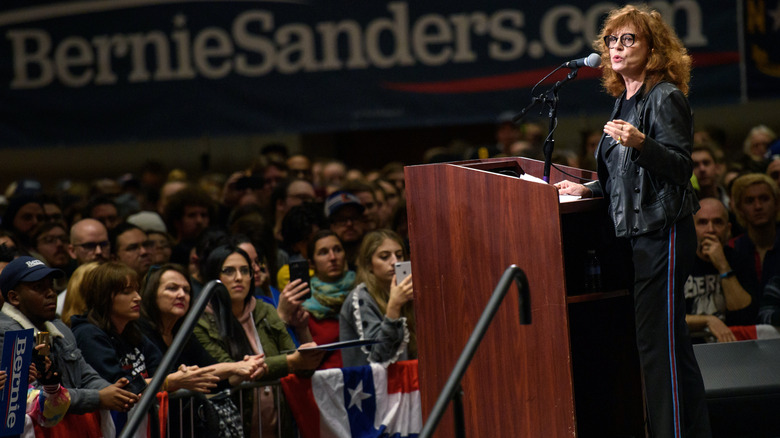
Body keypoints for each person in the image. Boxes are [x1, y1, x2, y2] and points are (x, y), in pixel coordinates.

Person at [555, 5, 710, 436]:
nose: (617, 47)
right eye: (611, 40)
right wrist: (590, 190)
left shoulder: (665, 97)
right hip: (636, 237)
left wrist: (643, 143)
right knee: (664, 350)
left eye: (629, 40)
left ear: (654, 47)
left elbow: (681, 170)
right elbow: (625, 180)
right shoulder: (624, 100)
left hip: (664, 234)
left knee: (660, 350)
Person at [71, 262, 219, 433]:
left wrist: (181, 375)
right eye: (127, 292)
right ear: (104, 297)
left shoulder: (132, 331)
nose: (138, 297)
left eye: (137, 290)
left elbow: (162, 371)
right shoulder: (88, 334)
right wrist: (173, 381)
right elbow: (118, 388)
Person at [193, 244, 324, 438]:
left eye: (244, 271)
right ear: (214, 277)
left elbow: (300, 364)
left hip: (280, 424)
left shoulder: (265, 310)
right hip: (234, 426)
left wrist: (305, 349)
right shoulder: (201, 323)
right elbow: (232, 370)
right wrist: (290, 362)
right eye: (229, 271)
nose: (239, 277)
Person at [0, 256, 140, 432]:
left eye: (51, 285)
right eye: (39, 288)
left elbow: (86, 374)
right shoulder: (7, 334)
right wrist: (99, 397)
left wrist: (114, 392)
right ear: (14, 297)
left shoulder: (58, 327)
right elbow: (33, 397)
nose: (50, 293)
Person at [339, 229, 415, 367]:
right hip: (368, 385)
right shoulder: (360, 298)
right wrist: (394, 307)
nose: (394, 262)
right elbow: (380, 357)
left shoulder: (408, 293)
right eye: (385, 257)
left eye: (399, 255)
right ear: (369, 265)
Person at [684, 199, 753, 342]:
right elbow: (665, 317)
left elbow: (746, 315)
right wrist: (708, 320)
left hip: (732, 348)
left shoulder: (739, 260)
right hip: (689, 350)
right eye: (702, 222)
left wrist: (723, 266)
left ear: (728, 230)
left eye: (718, 222)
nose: (711, 229)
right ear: (691, 228)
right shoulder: (678, 264)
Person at [728, 173, 780, 320]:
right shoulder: (731, 249)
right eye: (749, 201)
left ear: (777, 203)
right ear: (739, 208)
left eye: (764, 199)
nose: (758, 206)